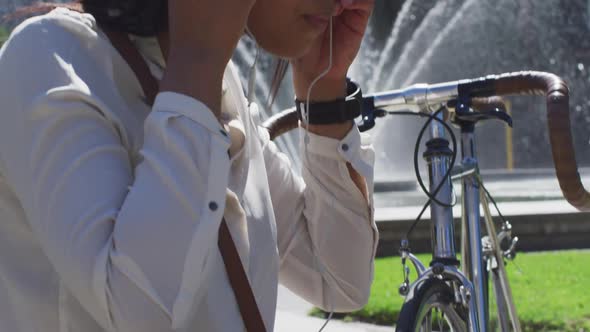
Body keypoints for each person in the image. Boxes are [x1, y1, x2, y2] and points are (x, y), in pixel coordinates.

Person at [0, 0, 377, 331]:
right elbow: (138, 310)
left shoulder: (216, 80)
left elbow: (339, 280)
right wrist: (197, 64)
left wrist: (323, 90)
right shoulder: (50, 58)